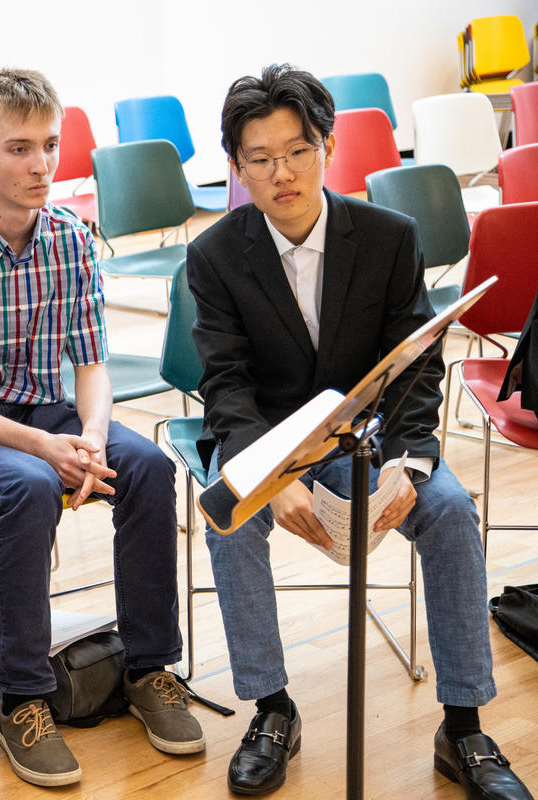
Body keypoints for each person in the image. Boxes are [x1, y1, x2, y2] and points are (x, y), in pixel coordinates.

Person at [186, 64, 533, 799]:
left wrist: (408, 462)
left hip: (365, 440)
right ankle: (272, 709)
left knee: (447, 511)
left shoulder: (388, 236)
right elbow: (225, 384)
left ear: (328, 145)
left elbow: (415, 368)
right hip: (270, 442)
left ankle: (463, 725)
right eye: (260, 158)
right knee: (229, 521)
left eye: (297, 149)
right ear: (236, 167)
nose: (281, 172)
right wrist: (269, 478)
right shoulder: (214, 254)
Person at [0, 68, 203, 789]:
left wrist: (89, 436)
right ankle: (25, 697)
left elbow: (90, 364)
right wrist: (44, 447)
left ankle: (150, 669)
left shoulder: (67, 237)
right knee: (29, 487)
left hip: (48, 413)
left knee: (146, 466)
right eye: (20, 148)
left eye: (50, 146)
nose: (40, 165)